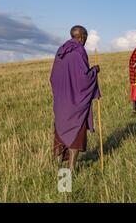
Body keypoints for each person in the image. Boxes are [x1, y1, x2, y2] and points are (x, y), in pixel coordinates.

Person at [50, 25, 101, 172]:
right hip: (75, 104)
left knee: (62, 130)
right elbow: (83, 79)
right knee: (75, 134)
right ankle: (70, 171)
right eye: (86, 37)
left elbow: (53, 78)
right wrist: (95, 71)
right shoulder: (79, 50)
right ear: (82, 36)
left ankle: (61, 173)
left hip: (61, 101)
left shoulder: (60, 51)